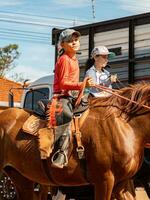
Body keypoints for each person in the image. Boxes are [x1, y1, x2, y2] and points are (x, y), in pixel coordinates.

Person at [51, 28, 94, 169]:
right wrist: (82, 84)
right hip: (61, 97)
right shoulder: (64, 59)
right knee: (66, 115)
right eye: (70, 40)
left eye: (76, 39)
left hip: (71, 96)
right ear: (62, 45)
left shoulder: (74, 59)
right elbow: (63, 83)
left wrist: (86, 86)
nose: (74, 42)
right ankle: (60, 152)